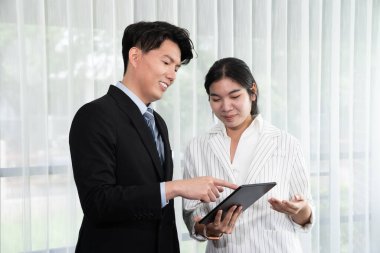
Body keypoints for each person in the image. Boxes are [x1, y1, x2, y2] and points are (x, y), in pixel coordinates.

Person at [69, 21, 237, 253]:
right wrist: (175, 187)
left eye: (177, 68)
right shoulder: (95, 115)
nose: (172, 75)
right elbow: (98, 202)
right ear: (135, 56)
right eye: (166, 62)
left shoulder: (158, 123)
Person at [182, 57, 314, 253]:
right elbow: (191, 215)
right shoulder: (197, 147)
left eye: (235, 96)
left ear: (253, 92)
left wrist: (299, 210)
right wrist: (209, 229)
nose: (226, 107)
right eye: (216, 99)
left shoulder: (287, 143)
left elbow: (305, 215)